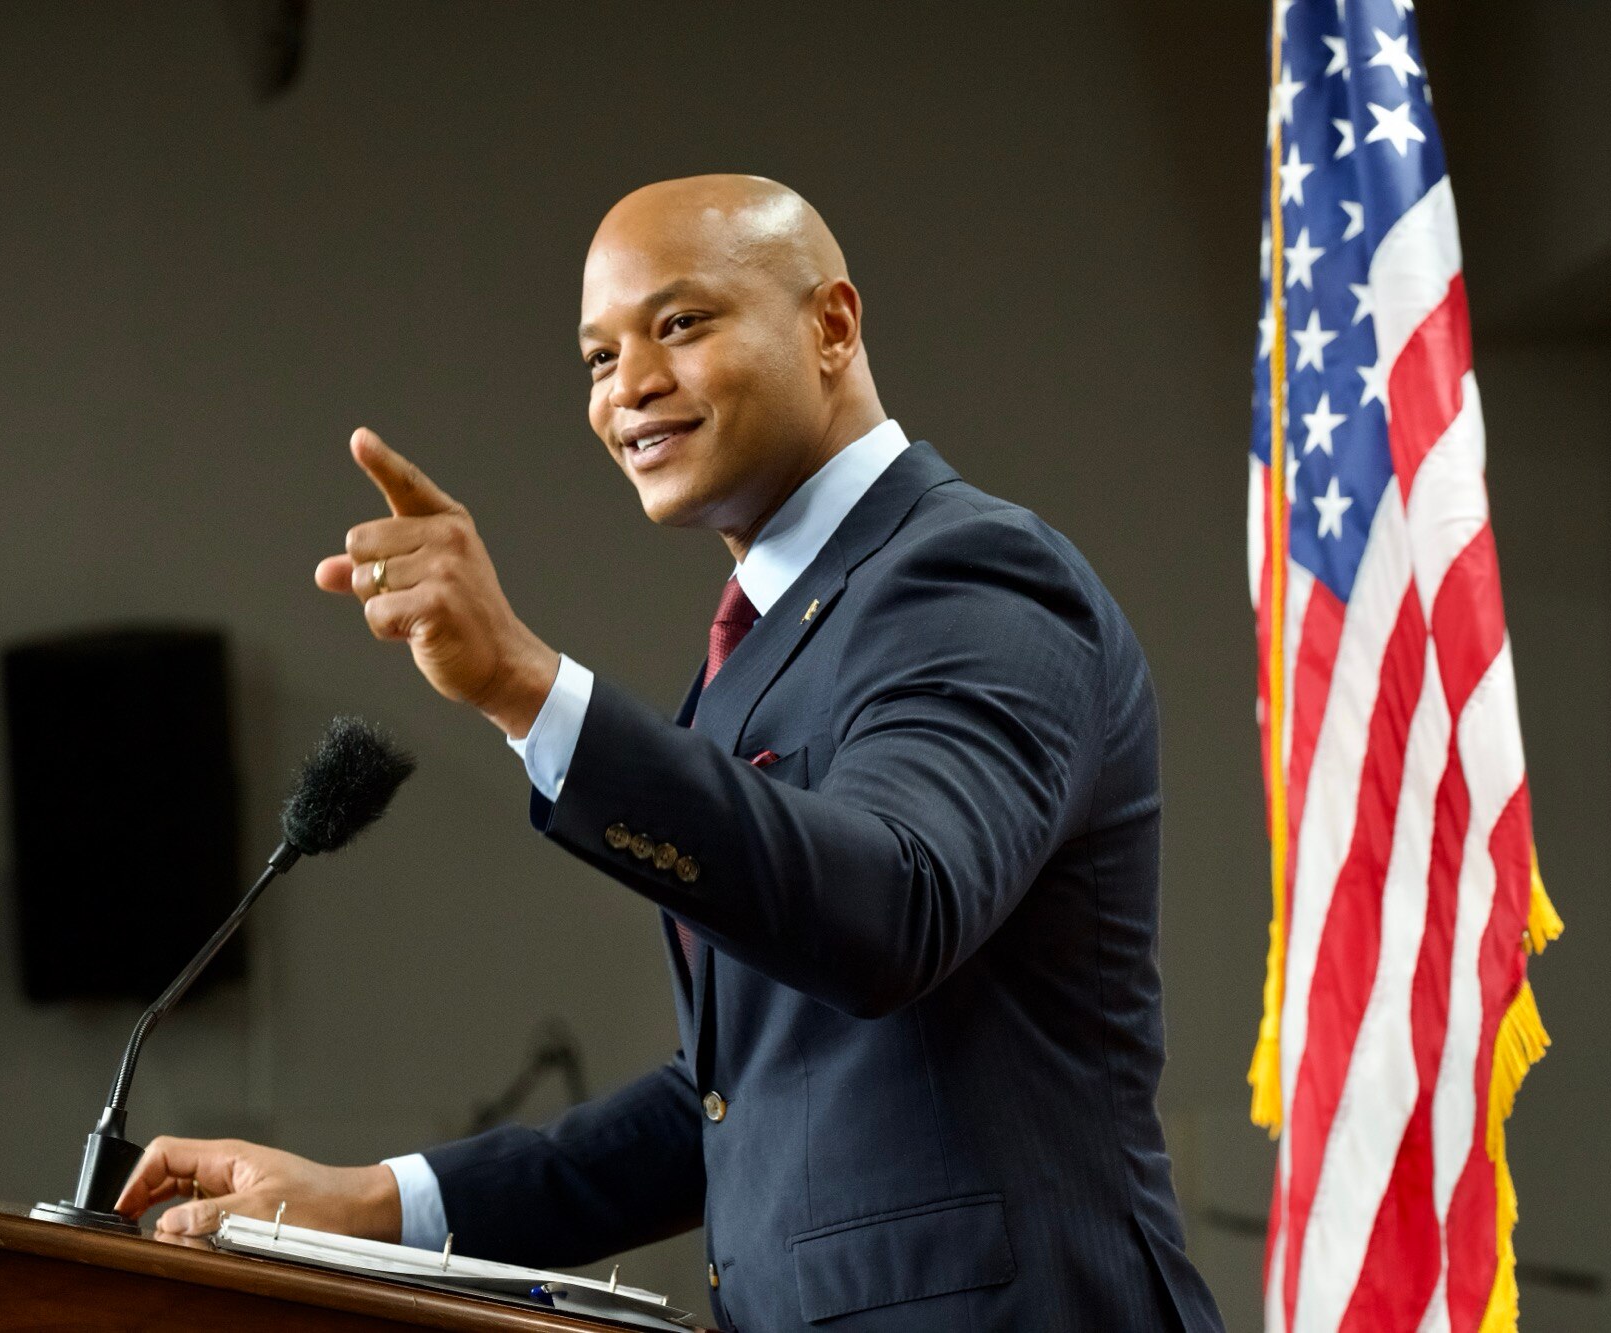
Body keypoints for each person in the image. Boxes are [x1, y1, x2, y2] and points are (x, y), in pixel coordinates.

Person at [116, 175, 1224, 1332]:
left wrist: (524, 685)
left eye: (679, 325)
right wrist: (375, 1202)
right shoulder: (755, 652)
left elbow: (896, 907)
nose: (628, 386)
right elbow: (731, 1103)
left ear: (831, 326)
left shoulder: (974, 573)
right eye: (597, 357)